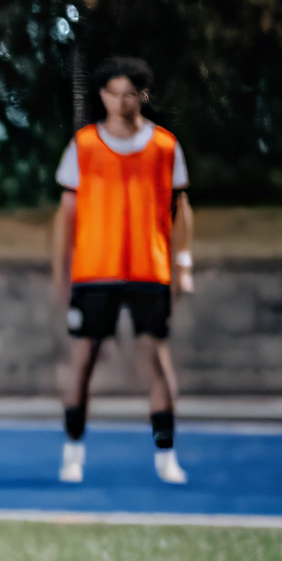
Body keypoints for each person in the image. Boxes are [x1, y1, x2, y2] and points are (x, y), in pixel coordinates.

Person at [50, 55, 192, 488]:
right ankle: (73, 452)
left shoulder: (165, 146)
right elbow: (66, 215)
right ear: (102, 95)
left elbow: (181, 210)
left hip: (149, 268)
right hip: (95, 270)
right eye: (113, 93)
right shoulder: (84, 145)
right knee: (83, 360)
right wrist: (60, 273)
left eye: (130, 93)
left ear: (142, 96)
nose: (122, 101)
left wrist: (183, 264)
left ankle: (166, 454)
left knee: (157, 361)